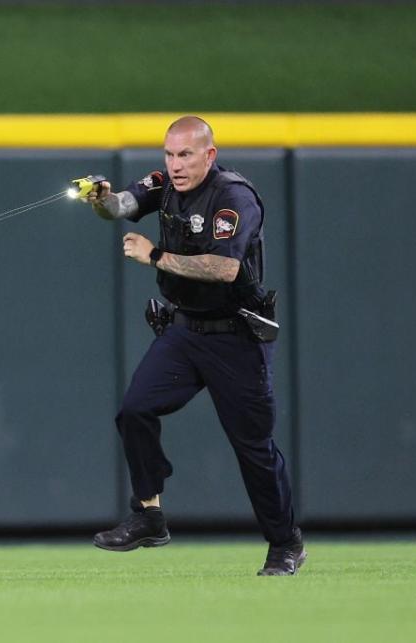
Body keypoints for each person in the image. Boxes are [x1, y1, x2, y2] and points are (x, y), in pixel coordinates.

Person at [84, 116, 305, 576]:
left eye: (185, 154)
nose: (175, 164)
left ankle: (285, 544)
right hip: (185, 330)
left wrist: (156, 256)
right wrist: (102, 199)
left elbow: (224, 269)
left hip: (236, 337)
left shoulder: (233, 197)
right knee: (135, 409)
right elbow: (123, 205)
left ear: (210, 154)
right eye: (169, 153)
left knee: (253, 448)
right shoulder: (165, 183)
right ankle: (148, 514)